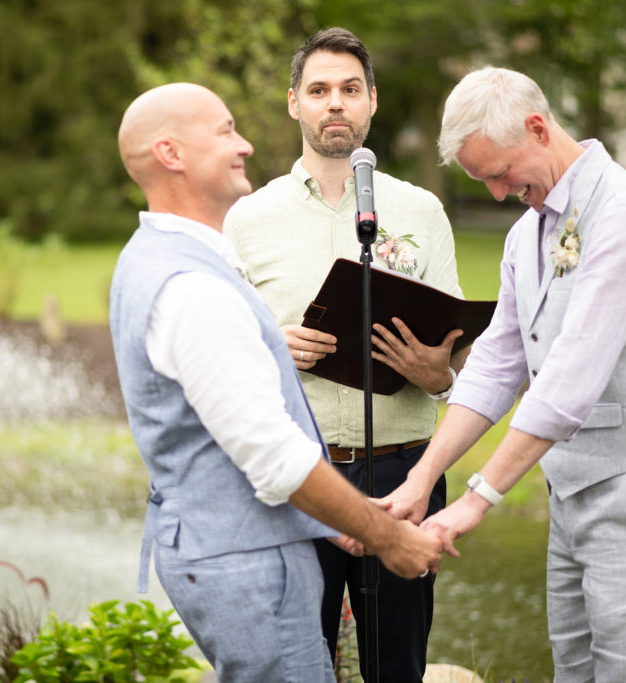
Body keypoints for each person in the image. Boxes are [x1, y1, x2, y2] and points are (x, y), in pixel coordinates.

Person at [383, 66, 626, 681]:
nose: (499, 193)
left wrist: (476, 500)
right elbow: (494, 367)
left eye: (501, 173)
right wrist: (422, 480)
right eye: (483, 181)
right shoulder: (525, 234)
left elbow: (567, 384)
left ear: (538, 128)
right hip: (571, 501)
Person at [110, 82, 445, 682]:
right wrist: (386, 539)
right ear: (171, 154)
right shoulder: (192, 288)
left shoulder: (156, 256)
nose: (243, 144)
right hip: (248, 562)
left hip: (242, 542)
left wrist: (335, 523)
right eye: (224, 131)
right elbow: (273, 457)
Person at [225, 27, 468, 682]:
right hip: (297, 480)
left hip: (404, 476)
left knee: (398, 666)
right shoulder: (247, 218)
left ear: (372, 102)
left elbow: (461, 351)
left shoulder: (421, 210)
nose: (336, 103)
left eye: (350, 90)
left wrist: (438, 371)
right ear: (293, 103)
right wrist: (271, 343)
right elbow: (221, 354)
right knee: (297, 665)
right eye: (320, 90)